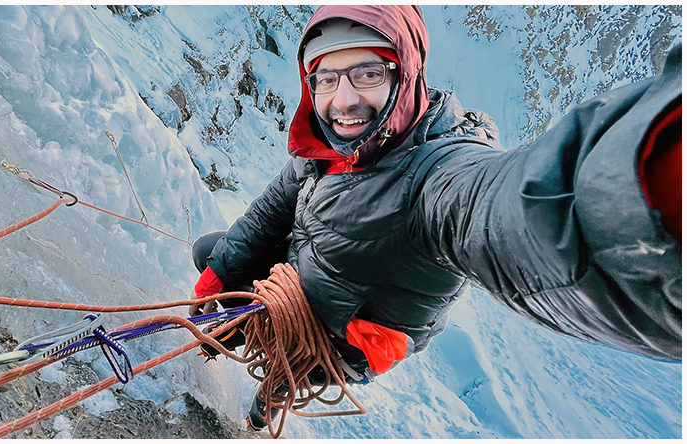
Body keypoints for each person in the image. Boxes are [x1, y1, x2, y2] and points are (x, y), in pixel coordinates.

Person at [188, 5, 682, 430]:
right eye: (327, 78)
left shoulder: (436, 175)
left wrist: (645, 192)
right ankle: (233, 341)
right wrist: (222, 275)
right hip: (301, 273)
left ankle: (258, 416)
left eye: (368, 74)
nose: (343, 100)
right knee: (211, 253)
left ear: (405, 75)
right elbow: (274, 204)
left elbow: (509, 210)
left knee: (292, 362)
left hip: (345, 335)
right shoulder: (327, 145)